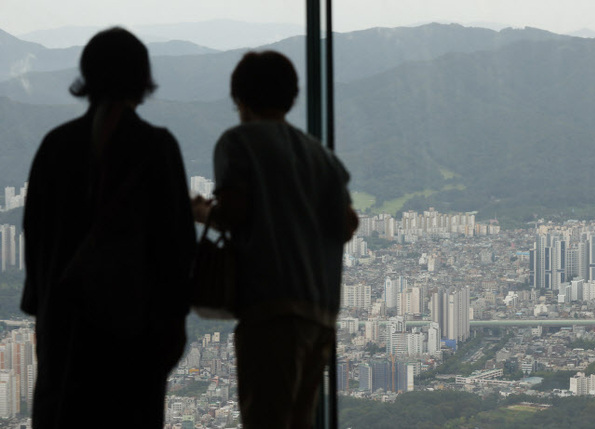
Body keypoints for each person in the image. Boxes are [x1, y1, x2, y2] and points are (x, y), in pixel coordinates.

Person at [21, 27, 195, 428]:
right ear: (142, 79)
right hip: (135, 341)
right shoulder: (157, 148)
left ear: (87, 77)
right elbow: (178, 250)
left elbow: (36, 241)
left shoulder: (55, 147)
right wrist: (169, 330)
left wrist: (43, 313)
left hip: (66, 336)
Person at [192, 51, 358, 429]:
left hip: (271, 311)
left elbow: (234, 213)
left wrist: (201, 212)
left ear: (240, 100)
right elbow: (348, 223)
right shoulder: (322, 156)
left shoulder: (239, 143)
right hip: (320, 313)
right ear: (292, 97)